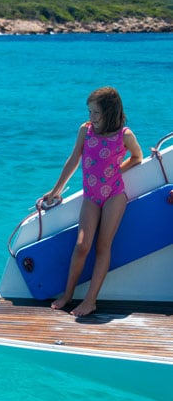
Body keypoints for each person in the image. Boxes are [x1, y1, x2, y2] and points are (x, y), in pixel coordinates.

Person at [41, 87, 143, 316]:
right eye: (89, 112)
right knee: (81, 246)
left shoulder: (124, 135)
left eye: (96, 113)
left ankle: (90, 301)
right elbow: (73, 160)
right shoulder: (85, 131)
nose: (91, 117)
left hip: (114, 196)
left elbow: (138, 157)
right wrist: (55, 190)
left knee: (102, 246)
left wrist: (116, 172)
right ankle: (67, 295)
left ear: (109, 111)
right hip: (91, 196)